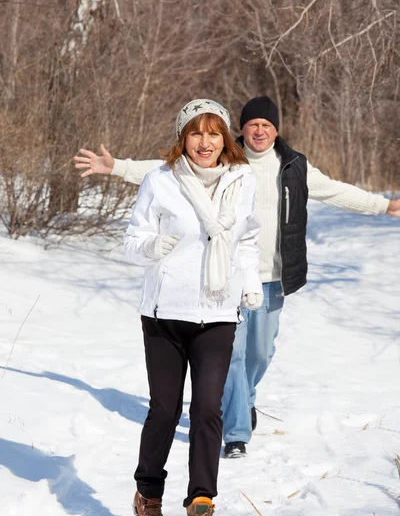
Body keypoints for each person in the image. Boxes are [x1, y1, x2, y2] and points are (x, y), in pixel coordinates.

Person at [75, 95, 400, 461]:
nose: (260, 131)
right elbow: (165, 168)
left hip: (272, 277)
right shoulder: (225, 160)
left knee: (261, 353)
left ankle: (243, 399)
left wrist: (382, 205)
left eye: (267, 125)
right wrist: (117, 166)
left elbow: (337, 191)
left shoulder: (293, 166)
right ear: (241, 129)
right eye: (253, 124)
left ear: (276, 130)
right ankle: (236, 432)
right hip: (225, 277)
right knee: (234, 356)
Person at [85, 99, 262, 516]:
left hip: (218, 313)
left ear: (227, 139)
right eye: (196, 134)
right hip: (165, 313)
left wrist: (251, 281)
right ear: (183, 138)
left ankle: (201, 509)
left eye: (215, 134)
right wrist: (152, 247)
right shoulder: (160, 181)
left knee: (207, 411)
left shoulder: (243, 181)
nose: (206, 143)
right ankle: (148, 496)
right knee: (165, 410)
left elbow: (247, 237)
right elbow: (131, 240)